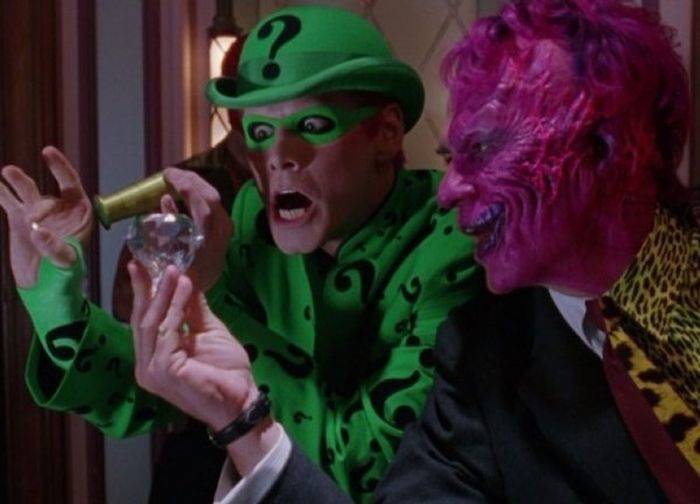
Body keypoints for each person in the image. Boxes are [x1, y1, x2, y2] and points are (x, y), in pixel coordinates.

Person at [207, 0, 700, 502]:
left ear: (608, 145)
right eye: (452, 157)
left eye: (482, 150)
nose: (450, 190)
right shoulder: (480, 356)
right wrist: (243, 417)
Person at [0, 5, 479, 503]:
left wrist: (214, 294)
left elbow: (366, 468)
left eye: (313, 123)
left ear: (386, 133)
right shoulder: (251, 220)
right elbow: (160, 386)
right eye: (260, 132)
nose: (278, 157)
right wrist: (57, 309)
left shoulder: (455, 240)